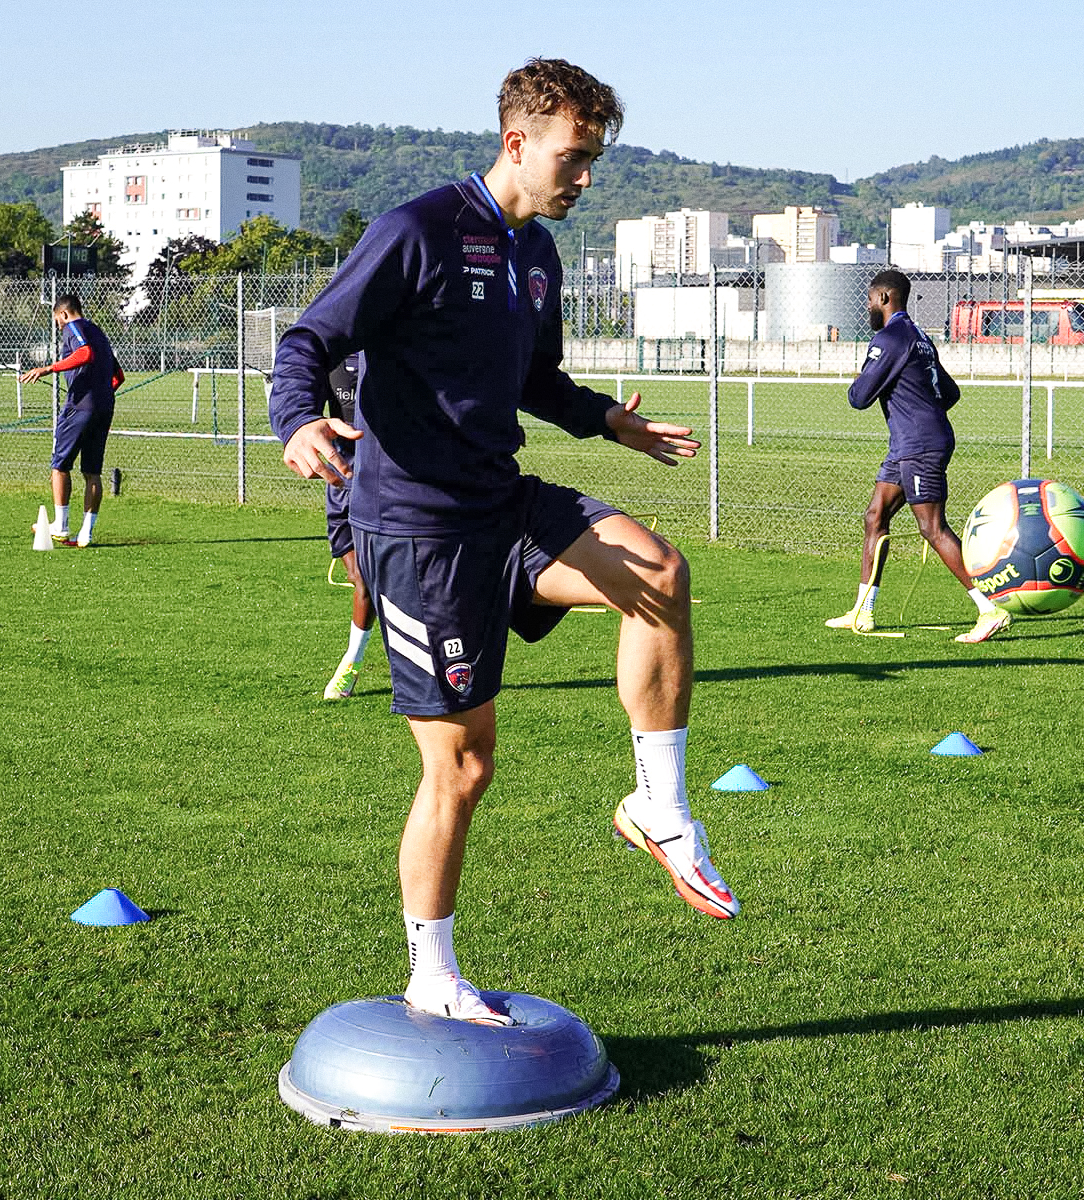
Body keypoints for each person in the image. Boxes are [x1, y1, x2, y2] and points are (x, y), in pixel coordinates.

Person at [269, 58, 739, 1027]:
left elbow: (534, 380)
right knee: (463, 767)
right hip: (417, 530)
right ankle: (431, 975)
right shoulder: (417, 231)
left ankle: (659, 808)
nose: (587, 179)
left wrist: (608, 419)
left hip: (502, 502)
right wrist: (295, 423)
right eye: (576, 157)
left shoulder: (538, 258)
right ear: (518, 141)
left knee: (658, 575)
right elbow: (306, 342)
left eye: (596, 159)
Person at [824, 269, 1011, 644]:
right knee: (875, 516)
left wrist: (910, 410)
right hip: (908, 443)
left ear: (885, 298)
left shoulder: (890, 337)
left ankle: (990, 609)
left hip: (919, 445)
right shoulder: (921, 338)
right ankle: (864, 611)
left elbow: (859, 397)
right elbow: (951, 392)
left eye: (870, 299)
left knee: (932, 527)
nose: (868, 306)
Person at [19, 295, 123, 547]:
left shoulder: (73, 327)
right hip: (104, 407)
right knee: (92, 472)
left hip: (80, 408)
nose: (59, 327)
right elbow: (118, 376)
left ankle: (61, 526)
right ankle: (85, 533)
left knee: (60, 465)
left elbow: (84, 353)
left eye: (57, 321)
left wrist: (47, 369)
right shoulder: (99, 332)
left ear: (63, 314)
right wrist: (100, 394)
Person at [318, 354, 376, 701]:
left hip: (383, 483)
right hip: (341, 483)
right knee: (360, 578)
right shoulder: (328, 353)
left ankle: (350, 665)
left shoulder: (391, 346)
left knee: (368, 582)